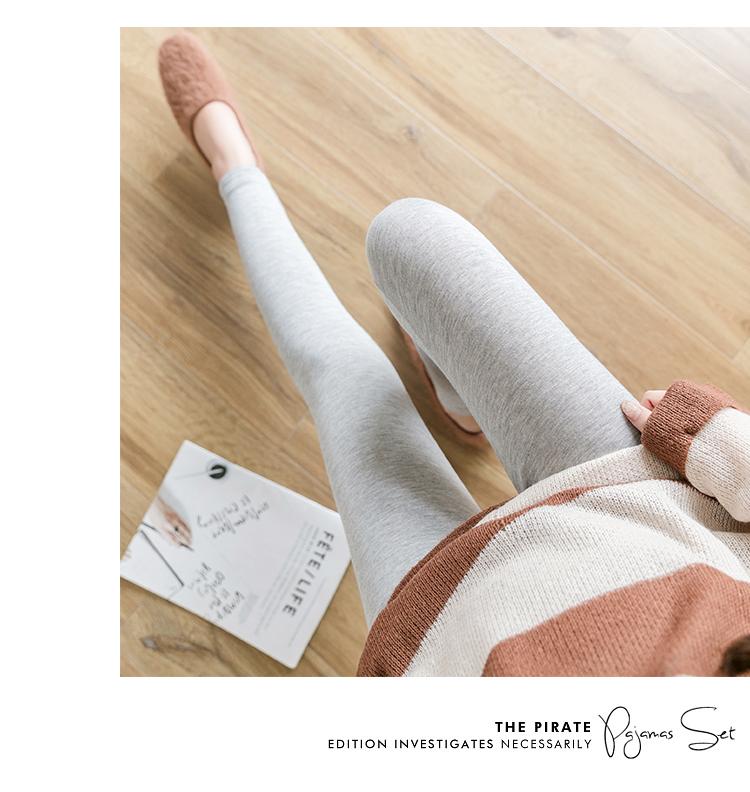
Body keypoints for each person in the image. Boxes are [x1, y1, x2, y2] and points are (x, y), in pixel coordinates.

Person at [156, 32, 750, 676]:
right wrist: (720, 446)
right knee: (409, 237)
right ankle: (458, 403)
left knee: (344, 378)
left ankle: (235, 169)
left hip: (448, 639)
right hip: (657, 529)